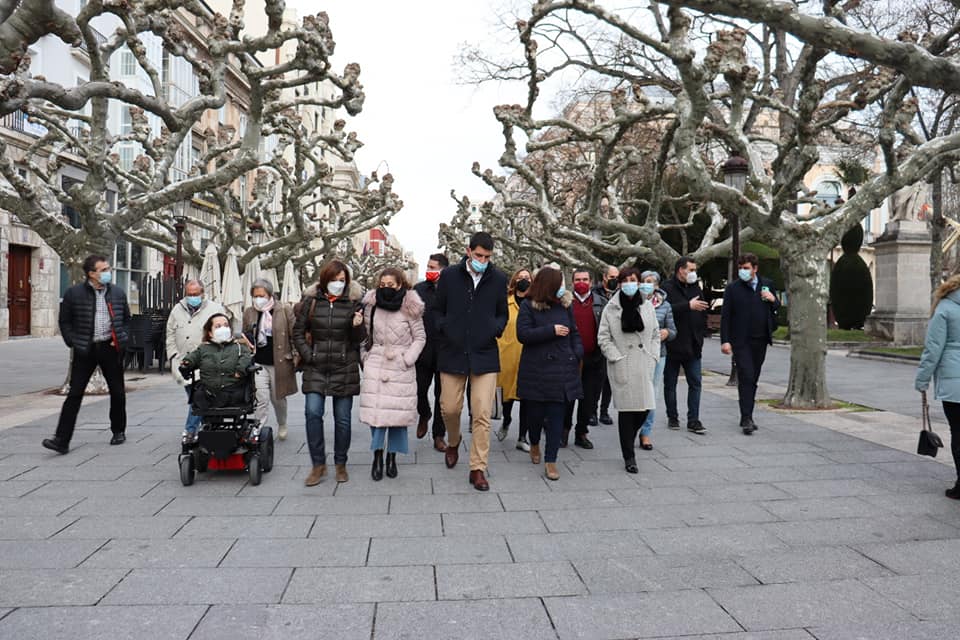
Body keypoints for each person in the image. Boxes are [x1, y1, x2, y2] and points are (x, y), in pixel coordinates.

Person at [434, 231, 509, 491]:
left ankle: (478, 467)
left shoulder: (498, 279)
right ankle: (453, 442)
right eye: (479, 255)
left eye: (487, 257)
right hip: (453, 351)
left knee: (482, 412)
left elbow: (502, 313)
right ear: (468, 251)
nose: (483, 260)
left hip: (485, 353)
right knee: (449, 409)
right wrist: (444, 328)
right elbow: (437, 309)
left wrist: (494, 329)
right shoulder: (449, 276)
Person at [43, 254, 131, 454]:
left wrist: (122, 337)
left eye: (108, 268)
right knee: (74, 394)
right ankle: (61, 440)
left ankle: (118, 431)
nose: (108, 272)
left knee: (117, 391)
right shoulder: (74, 293)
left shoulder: (117, 293)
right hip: (85, 349)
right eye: (103, 270)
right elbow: (64, 321)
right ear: (91, 273)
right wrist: (72, 341)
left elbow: (126, 319)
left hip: (110, 347)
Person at [293, 259, 366, 485]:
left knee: (342, 420)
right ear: (325, 280)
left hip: (344, 367)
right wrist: (310, 355)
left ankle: (340, 463)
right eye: (334, 280)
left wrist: (358, 325)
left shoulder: (353, 303)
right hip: (316, 367)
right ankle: (318, 465)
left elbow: (359, 340)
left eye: (342, 280)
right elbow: (297, 332)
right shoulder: (311, 302)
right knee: (313, 413)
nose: (338, 284)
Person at [516, 267, 583, 481]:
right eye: (559, 282)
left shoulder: (565, 305)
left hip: (562, 369)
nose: (562, 286)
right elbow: (523, 334)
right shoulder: (528, 305)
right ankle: (534, 442)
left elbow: (574, 332)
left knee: (556, 417)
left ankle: (551, 460)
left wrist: (577, 352)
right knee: (535, 416)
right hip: (536, 371)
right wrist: (551, 330)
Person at [359, 268, 426, 481]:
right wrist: (365, 357)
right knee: (376, 414)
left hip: (400, 365)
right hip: (376, 364)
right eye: (383, 284)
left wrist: (408, 358)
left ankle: (392, 457)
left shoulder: (410, 306)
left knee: (397, 415)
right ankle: (377, 456)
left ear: (400, 285)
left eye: (391, 284)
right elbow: (365, 334)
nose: (386, 288)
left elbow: (420, 337)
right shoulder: (371, 305)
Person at [597, 267, 659, 474]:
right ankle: (629, 455)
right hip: (623, 364)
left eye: (633, 280)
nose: (629, 284)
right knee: (626, 412)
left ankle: (629, 439)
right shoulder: (611, 308)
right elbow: (603, 337)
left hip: (644, 363)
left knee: (644, 409)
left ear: (638, 282)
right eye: (625, 280)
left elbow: (655, 334)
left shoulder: (647, 305)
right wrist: (615, 356)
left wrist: (653, 355)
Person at [720, 253, 780, 435]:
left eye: (746, 268)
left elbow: (776, 307)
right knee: (746, 375)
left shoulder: (767, 284)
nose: (742, 271)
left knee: (753, 377)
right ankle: (747, 418)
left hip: (760, 339)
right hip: (741, 340)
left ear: (755, 268)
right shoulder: (733, 289)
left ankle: (747, 414)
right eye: (740, 268)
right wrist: (725, 341)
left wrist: (772, 299)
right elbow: (726, 316)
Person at [166, 279, 229, 442]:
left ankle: (190, 431)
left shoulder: (215, 309)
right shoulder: (177, 310)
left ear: (202, 293)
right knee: (198, 399)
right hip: (183, 363)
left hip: (206, 364)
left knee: (198, 398)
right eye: (189, 294)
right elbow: (170, 334)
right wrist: (172, 355)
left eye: (195, 294)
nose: (192, 297)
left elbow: (224, 333)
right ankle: (207, 428)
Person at [916, 274, 960, 499]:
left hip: (954, 382)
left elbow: (933, 348)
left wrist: (922, 380)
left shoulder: (945, 309)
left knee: (958, 431)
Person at [242, 278, 297, 441]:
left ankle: (282, 423)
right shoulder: (249, 312)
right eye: (255, 296)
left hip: (279, 362)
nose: (258, 299)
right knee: (262, 398)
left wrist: (295, 355)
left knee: (278, 399)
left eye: (262, 295)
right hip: (259, 362)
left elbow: (294, 334)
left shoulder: (284, 309)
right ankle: (258, 430)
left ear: (270, 295)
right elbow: (245, 336)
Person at [661, 257, 709, 434]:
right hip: (673, 344)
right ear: (680, 270)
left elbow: (702, 309)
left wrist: (701, 332)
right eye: (691, 270)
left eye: (695, 270)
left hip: (693, 344)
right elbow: (664, 309)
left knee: (696, 383)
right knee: (670, 383)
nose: (693, 273)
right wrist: (687, 306)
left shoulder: (696, 287)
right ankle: (672, 416)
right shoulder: (667, 287)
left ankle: (693, 420)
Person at [563, 266, 607, 449]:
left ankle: (581, 433)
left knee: (589, 399)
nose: (581, 283)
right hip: (569, 360)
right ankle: (563, 430)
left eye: (585, 280)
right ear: (572, 282)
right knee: (567, 399)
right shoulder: (564, 303)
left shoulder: (601, 303)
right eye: (578, 280)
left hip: (594, 359)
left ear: (591, 282)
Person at [178, 313, 253, 412]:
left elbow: (246, 358)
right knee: (200, 396)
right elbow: (193, 357)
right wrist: (187, 363)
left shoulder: (239, 346)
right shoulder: (204, 348)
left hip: (233, 392)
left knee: (229, 395)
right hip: (208, 393)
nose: (223, 329)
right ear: (210, 333)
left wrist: (240, 370)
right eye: (218, 326)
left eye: (226, 325)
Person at [413, 253, 449, 453]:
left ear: (443, 270)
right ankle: (424, 413)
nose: (429, 270)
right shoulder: (419, 290)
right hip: (423, 350)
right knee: (419, 390)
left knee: (442, 396)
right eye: (428, 266)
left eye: (432, 267)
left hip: (445, 350)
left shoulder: (452, 290)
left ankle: (438, 435)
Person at [638, 270, 676, 450]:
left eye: (651, 282)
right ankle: (633, 426)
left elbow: (673, 330)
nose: (647, 285)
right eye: (644, 281)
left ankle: (646, 432)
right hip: (638, 354)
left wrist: (667, 333)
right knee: (638, 392)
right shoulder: (633, 303)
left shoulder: (665, 306)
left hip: (658, 354)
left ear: (657, 285)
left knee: (652, 393)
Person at [496, 268, 532, 451]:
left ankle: (522, 437)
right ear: (514, 280)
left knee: (526, 398)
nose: (524, 280)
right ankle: (507, 419)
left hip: (528, 357)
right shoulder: (505, 302)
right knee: (506, 397)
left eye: (527, 277)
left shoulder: (535, 303)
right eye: (520, 277)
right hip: (507, 356)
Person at [593, 264, 620, 426]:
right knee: (597, 380)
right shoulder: (595, 294)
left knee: (609, 381)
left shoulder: (620, 293)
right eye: (611, 277)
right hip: (599, 340)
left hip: (615, 341)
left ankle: (604, 411)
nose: (614, 280)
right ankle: (592, 411)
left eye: (616, 277)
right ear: (604, 277)